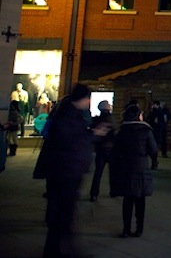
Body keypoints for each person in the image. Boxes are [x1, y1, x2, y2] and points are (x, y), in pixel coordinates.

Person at [37, 83, 106, 258]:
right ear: (82, 99)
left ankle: (57, 249)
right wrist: (93, 134)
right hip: (64, 171)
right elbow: (70, 141)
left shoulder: (71, 113)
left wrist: (92, 134)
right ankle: (59, 250)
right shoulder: (67, 115)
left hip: (67, 170)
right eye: (88, 98)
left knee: (63, 214)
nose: (89, 102)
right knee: (63, 214)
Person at [110, 104, 158, 238]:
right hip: (141, 167)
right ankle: (139, 229)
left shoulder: (122, 131)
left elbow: (116, 150)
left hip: (125, 166)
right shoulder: (146, 130)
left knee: (127, 200)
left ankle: (126, 229)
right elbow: (153, 150)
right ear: (138, 115)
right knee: (140, 199)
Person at [89, 100, 116, 201]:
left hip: (100, 149)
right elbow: (115, 133)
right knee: (113, 171)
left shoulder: (96, 119)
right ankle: (113, 191)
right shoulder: (111, 119)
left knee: (98, 172)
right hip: (111, 149)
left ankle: (94, 193)